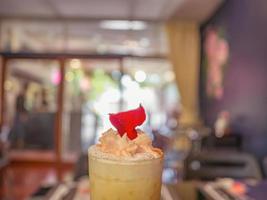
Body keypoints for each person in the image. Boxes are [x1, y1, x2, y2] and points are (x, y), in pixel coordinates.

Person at [11, 82, 29, 148]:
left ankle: (18, 146)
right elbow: (20, 107)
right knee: (19, 132)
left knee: (19, 131)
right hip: (19, 115)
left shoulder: (21, 96)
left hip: (19, 115)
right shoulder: (21, 96)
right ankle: (18, 146)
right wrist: (23, 114)